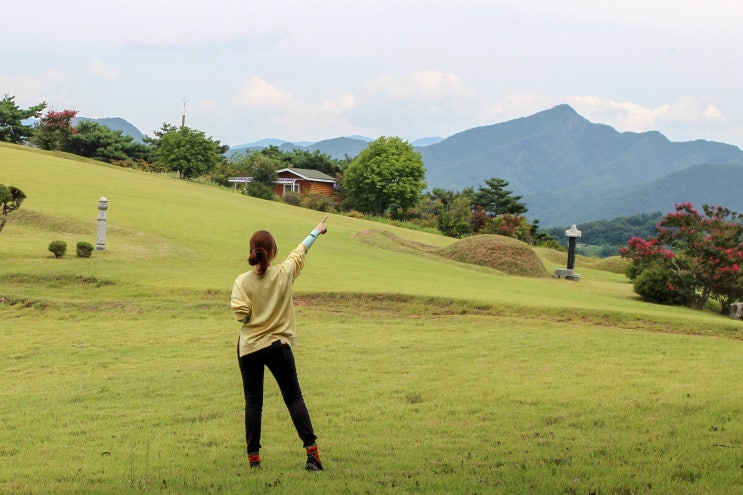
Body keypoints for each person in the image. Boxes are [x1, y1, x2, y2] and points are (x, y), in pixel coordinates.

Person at [231, 216, 328, 471]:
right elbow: (300, 251)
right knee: (294, 398)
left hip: (249, 347)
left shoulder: (242, 281)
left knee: (253, 403)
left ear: (252, 252)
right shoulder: (284, 273)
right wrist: (316, 231)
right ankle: (312, 454)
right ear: (273, 252)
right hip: (278, 347)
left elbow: (241, 316)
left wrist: (255, 313)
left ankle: (254, 460)